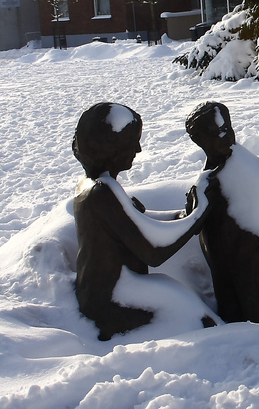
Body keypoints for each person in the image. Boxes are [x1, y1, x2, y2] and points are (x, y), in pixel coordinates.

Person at [73, 102, 213, 341]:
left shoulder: (94, 185)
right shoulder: (102, 193)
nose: (138, 149)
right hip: (111, 300)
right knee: (202, 321)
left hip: (104, 290)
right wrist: (199, 215)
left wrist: (182, 217)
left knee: (189, 305)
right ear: (110, 147)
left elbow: (137, 227)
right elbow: (154, 251)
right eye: (131, 142)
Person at [185, 101, 259, 325]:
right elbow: (195, 224)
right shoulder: (208, 177)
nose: (225, 136)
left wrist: (257, 230)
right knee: (231, 316)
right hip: (220, 263)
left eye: (227, 128)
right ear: (199, 141)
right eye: (216, 132)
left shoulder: (244, 164)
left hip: (251, 263)